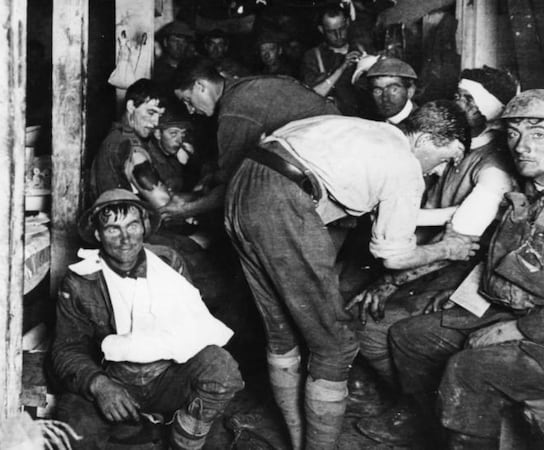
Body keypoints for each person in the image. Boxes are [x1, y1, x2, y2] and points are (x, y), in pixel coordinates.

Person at [224, 101, 477, 450]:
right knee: (336, 346)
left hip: (244, 186)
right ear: (426, 139)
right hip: (282, 201)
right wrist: (448, 249)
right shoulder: (404, 164)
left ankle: (296, 441)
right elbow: (393, 255)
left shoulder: (364, 130)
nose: (440, 171)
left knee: (283, 334)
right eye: (448, 158)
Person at [348, 66, 520, 445]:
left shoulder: (493, 166)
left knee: (372, 325)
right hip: (420, 254)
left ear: (491, 111)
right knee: (347, 298)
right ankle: (391, 395)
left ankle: (414, 411)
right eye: (458, 94)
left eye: (468, 100)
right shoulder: (447, 143)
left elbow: (461, 242)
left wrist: (389, 281)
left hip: (455, 272)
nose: (457, 102)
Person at [382, 89, 544, 449]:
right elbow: (499, 259)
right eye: (514, 133)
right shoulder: (528, 194)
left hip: (536, 327)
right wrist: (465, 294)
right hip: (511, 310)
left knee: (468, 371)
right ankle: (437, 432)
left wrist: (519, 329)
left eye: (538, 134)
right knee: (410, 337)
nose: (521, 146)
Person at [51, 189, 244, 449]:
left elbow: (192, 327)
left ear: (144, 226)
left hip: (167, 377)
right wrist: (99, 385)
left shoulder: (168, 264)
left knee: (221, 369)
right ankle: (143, 427)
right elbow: (66, 350)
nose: (125, 239)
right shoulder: (80, 281)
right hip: (114, 379)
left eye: (132, 225)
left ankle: (174, 432)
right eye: (113, 229)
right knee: (74, 427)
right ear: (98, 234)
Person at [169, 57, 340, 222]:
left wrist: (188, 210)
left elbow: (234, 185)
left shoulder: (233, 110)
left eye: (188, 100)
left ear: (200, 86)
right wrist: (213, 178)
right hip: (338, 139)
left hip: (331, 162)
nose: (190, 110)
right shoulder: (243, 86)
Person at [89, 78, 165, 202]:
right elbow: (162, 202)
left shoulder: (119, 136)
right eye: (151, 112)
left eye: (159, 116)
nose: (156, 122)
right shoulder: (126, 144)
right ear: (131, 106)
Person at [300, 5, 368, 117]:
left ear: (347, 23)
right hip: (332, 120)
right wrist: (341, 68)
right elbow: (311, 98)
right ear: (321, 29)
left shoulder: (363, 49)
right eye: (331, 32)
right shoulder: (313, 57)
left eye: (342, 29)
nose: (338, 35)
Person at [366, 57, 418, 123]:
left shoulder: (423, 124)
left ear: (410, 91)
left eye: (394, 90)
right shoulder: (372, 121)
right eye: (378, 91)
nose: (385, 98)